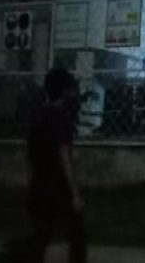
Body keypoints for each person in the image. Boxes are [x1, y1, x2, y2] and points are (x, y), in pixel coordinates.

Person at [26, 67, 86, 263]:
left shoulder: (38, 116)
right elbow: (64, 157)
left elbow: (31, 154)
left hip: (39, 181)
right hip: (58, 185)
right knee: (76, 231)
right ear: (65, 91)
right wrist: (74, 193)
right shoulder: (61, 119)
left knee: (42, 232)